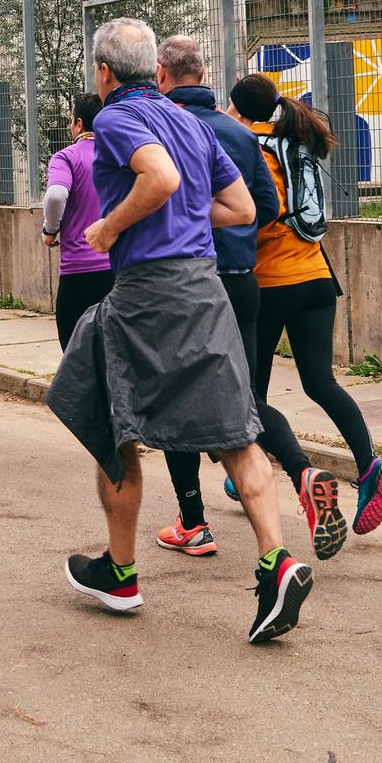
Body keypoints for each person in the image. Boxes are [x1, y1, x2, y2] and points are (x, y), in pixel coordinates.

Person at [46, 18, 314, 645]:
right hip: (207, 287)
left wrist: (110, 228)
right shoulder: (193, 122)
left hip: (148, 292)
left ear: (105, 73)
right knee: (235, 428)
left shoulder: (114, 118)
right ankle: (276, 561)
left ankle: (121, 572)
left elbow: (159, 180)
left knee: (109, 420)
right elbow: (242, 209)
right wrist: (187, 214)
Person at [229, 72, 382, 548]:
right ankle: (370, 466)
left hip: (270, 284)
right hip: (317, 278)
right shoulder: (293, 140)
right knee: (320, 381)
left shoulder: (249, 146)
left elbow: (257, 213)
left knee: (250, 394)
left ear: (238, 110)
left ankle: (264, 466)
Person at [150, 37, 282, 559]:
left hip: (186, 279)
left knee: (176, 399)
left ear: (161, 74)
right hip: (242, 276)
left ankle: (193, 522)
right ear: (204, 73)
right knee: (245, 399)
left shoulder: (160, 127)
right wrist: (238, 237)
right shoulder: (238, 132)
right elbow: (264, 206)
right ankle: (298, 473)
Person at [41, 93, 112, 350]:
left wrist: (50, 230)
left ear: (79, 123)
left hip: (78, 272)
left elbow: (56, 195)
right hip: (117, 269)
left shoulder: (66, 157)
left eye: (71, 120)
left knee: (75, 355)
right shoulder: (117, 154)